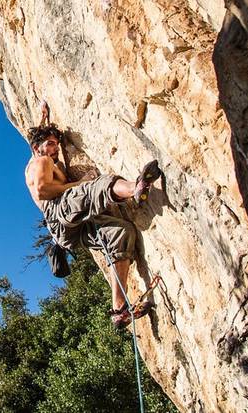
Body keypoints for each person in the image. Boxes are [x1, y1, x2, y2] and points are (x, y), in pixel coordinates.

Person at [24, 119, 161, 328]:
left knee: (121, 233)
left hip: (65, 232)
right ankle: (136, 188)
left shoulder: (39, 162)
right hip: (57, 210)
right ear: (37, 148)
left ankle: (119, 309)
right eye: (50, 143)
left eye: (56, 145)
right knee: (94, 187)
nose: (55, 149)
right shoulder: (42, 161)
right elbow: (43, 190)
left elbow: (37, 145)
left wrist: (44, 116)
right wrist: (78, 183)